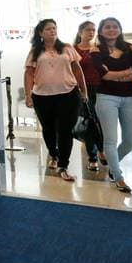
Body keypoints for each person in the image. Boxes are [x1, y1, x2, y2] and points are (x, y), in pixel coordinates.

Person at [24, 19, 88, 182]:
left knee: (65, 130)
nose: (52, 31)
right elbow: (29, 73)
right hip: (42, 97)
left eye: (54, 28)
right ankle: (53, 153)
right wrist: (27, 94)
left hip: (68, 94)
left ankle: (63, 165)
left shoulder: (66, 48)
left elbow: (77, 69)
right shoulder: (35, 52)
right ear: (40, 33)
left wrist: (83, 90)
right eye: (48, 29)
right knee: (49, 129)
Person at [90, 17, 132, 194]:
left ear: (120, 29)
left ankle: (112, 167)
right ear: (101, 31)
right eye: (107, 27)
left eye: (115, 27)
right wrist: (127, 72)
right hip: (106, 97)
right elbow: (104, 75)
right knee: (111, 140)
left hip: (130, 97)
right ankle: (119, 178)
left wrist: (117, 74)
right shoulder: (96, 50)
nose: (111, 30)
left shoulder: (130, 48)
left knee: (129, 141)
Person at [74, 20, 105, 171]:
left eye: (93, 30)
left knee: (97, 121)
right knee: (88, 123)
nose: (91, 33)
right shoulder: (73, 50)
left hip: (98, 89)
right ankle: (95, 155)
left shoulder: (98, 49)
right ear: (80, 32)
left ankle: (101, 150)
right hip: (80, 90)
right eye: (88, 30)